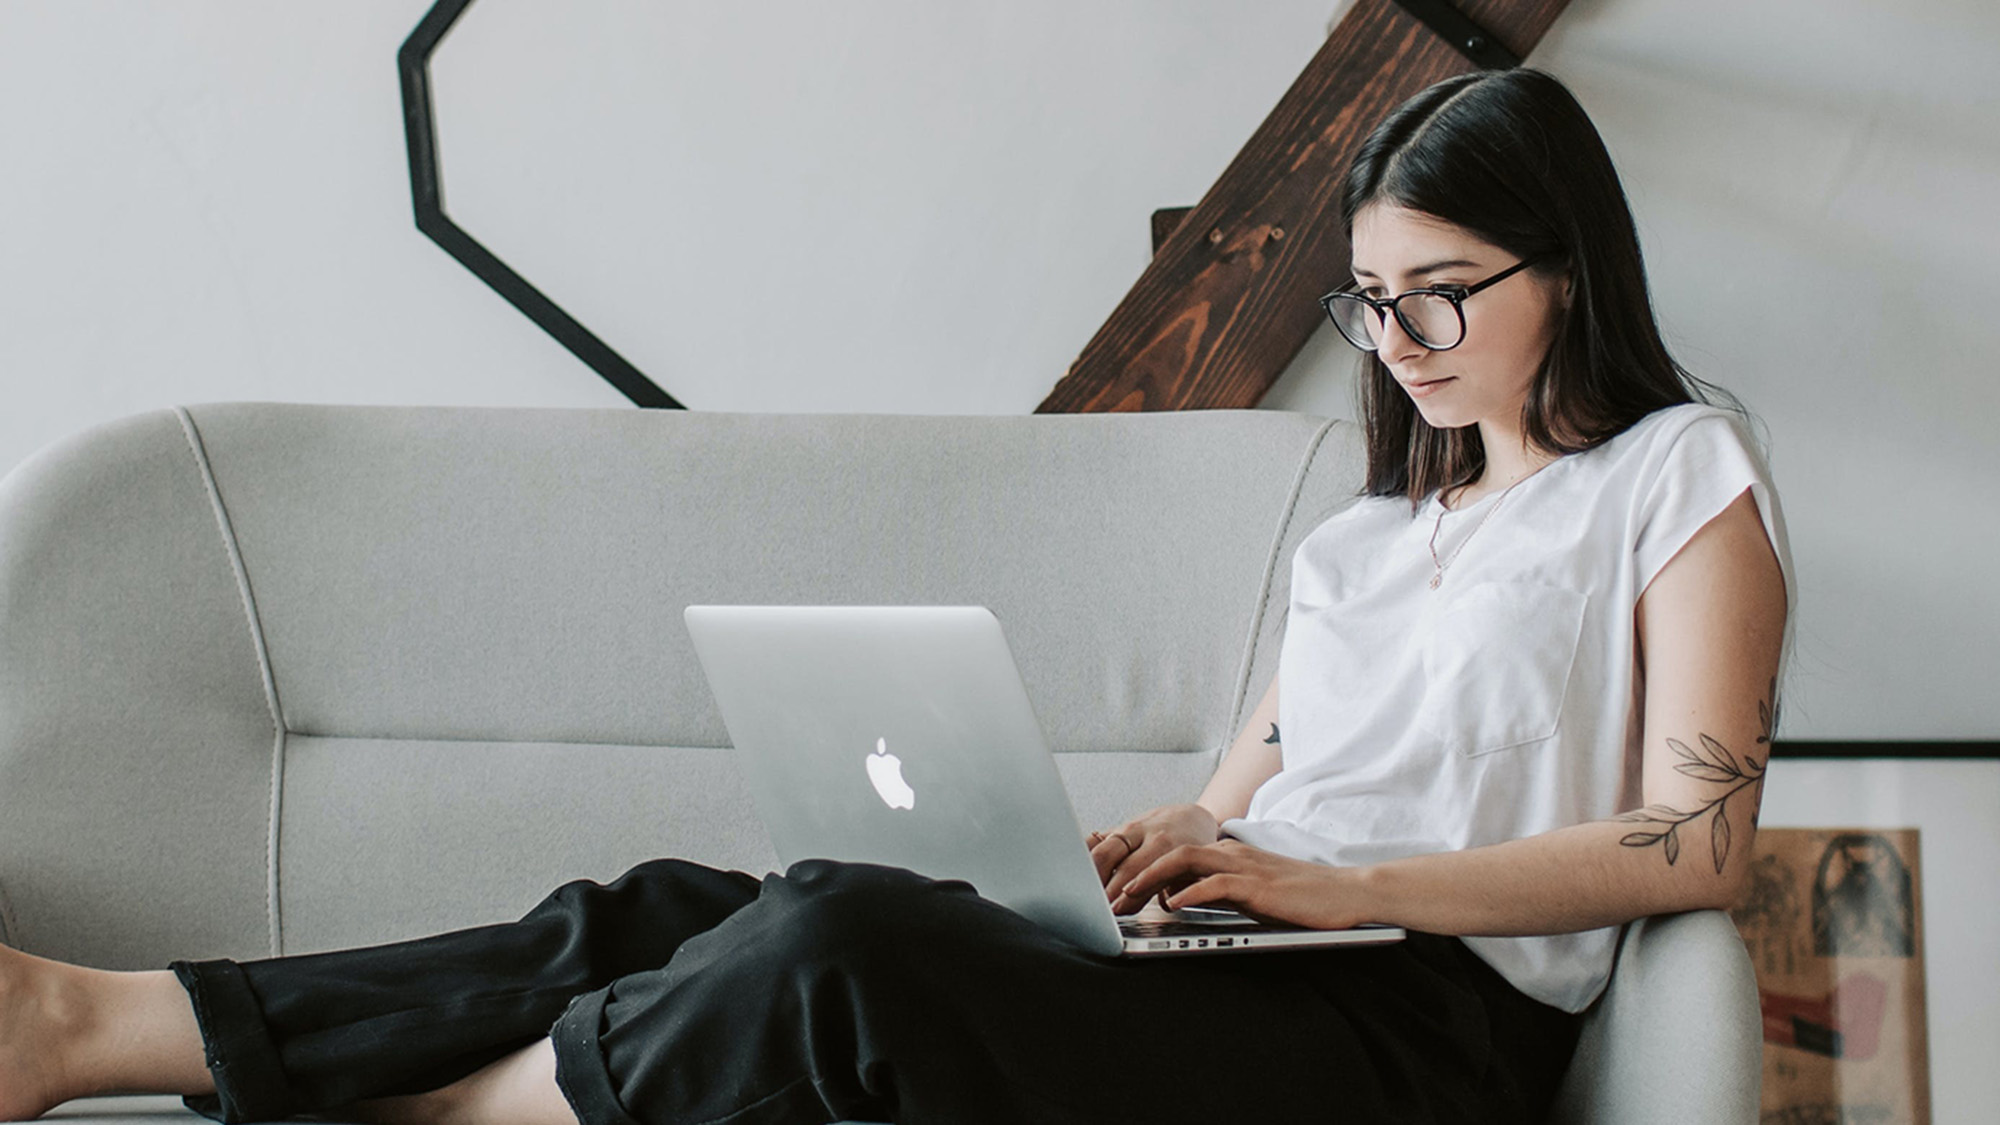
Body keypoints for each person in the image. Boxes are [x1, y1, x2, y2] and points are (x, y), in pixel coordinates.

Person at [0, 66, 1791, 1125]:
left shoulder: (1676, 475)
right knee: (705, 902)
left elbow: (1700, 843)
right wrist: (1154, 857)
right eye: (1367, 301)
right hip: (1250, 966)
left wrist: (1336, 888)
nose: (1395, 348)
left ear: (1569, 263)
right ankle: (96, 1022)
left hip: (1411, 1028)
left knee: (835, 948)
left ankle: (459, 1112)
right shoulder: (1367, 539)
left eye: (1442, 294)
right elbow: (1252, 788)